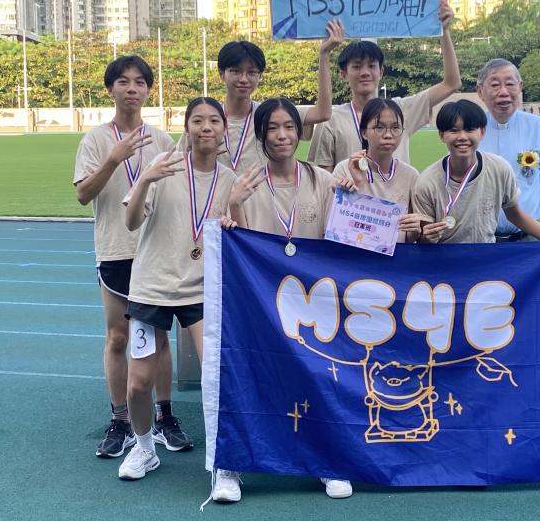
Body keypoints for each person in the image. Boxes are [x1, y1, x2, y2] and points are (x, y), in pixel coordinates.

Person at [214, 97, 355, 503]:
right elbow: (234, 244)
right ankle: (230, 466)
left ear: (300, 132)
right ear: (260, 135)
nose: (282, 135)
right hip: (259, 304)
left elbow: (345, 240)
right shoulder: (244, 182)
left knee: (317, 380)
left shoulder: (323, 180)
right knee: (247, 377)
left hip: (314, 304)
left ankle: (329, 461)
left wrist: (351, 193)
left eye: (289, 127)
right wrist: (233, 209)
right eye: (273, 128)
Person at [117, 97, 237, 480]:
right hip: (151, 288)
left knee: (215, 376)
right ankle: (145, 447)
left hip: (202, 291)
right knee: (138, 384)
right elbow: (132, 222)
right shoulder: (163, 167)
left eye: (213, 121)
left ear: (223, 130)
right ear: (186, 128)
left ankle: (223, 461)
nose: (206, 127)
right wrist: (146, 180)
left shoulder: (231, 180)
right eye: (198, 120)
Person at [73, 56, 188, 458]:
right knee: (119, 337)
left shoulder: (161, 140)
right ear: (111, 89)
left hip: (156, 253)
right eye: (123, 82)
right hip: (116, 251)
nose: (132, 89)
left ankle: (165, 415)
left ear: (148, 90)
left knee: (159, 338)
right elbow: (83, 194)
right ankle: (120, 419)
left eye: (140, 82)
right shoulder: (95, 140)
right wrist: (113, 157)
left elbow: (179, 194)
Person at [308, 0, 462, 171]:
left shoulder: (402, 109)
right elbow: (326, 179)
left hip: (397, 197)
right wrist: (324, 54)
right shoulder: (331, 120)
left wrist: (444, 31)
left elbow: (451, 83)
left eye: (372, 66)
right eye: (357, 66)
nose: (365, 72)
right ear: (343, 74)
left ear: (381, 71)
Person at [412, 99, 540, 251]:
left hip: (487, 262)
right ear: (441, 135)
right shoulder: (427, 182)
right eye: (454, 131)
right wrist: (426, 237)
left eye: (470, 129)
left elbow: (515, 215)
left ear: (482, 132)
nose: (462, 137)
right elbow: (423, 239)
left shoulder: (499, 169)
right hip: (446, 266)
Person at [206, 22, 343, 173]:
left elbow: (323, 112)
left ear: (260, 76)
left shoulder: (270, 114)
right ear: (221, 74)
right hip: (218, 195)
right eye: (236, 71)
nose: (244, 79)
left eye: (251, 72)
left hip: (262, 195)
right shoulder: (207, 119)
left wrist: (324, 56)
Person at [476, 58, 540, 242]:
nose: (503, 92)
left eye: (510, 84)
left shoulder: (538, 127)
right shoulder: (471, 131)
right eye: (495, 85)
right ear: (480, 91)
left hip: (528, 238)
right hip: (482, 240)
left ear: (520, 87)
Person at [332, 97, 421, 243]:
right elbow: (340, 229)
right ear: (364, 133)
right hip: (355, 259)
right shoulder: (344, 170)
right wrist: (358, 184)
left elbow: (408, 237)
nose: (388, 135)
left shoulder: (411, 176)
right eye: (379, 127)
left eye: (395, 127)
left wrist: (414, 232)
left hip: (393, 262)